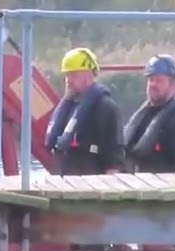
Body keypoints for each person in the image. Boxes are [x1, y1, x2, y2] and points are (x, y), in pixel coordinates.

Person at [44, 47, 124, 176]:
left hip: (93, 182)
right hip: (66, 180)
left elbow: (114, 157)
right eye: (66, 76)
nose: (68, 81)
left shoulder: (106, 108)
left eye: (73, 75)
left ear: (88, 76)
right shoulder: (68, 108)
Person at [121, 55, 175, 174]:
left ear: (173, 85)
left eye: (159, 80)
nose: (153, 84)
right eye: (151, 80)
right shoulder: (142, 118)